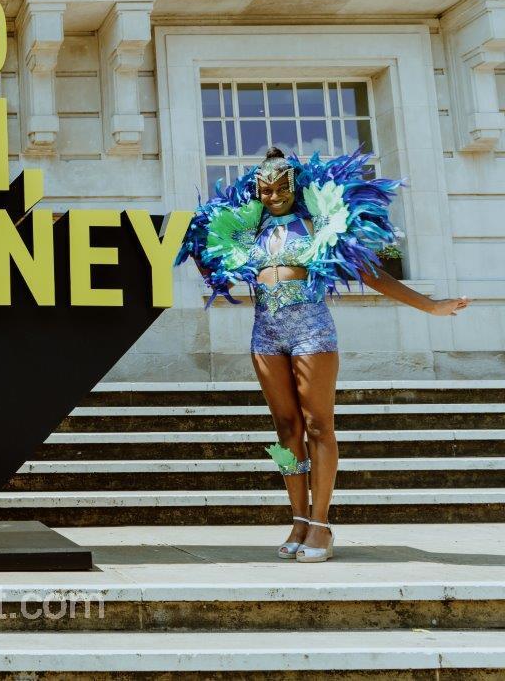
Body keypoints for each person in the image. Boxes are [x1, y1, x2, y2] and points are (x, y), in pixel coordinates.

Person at [180, 147, 468, 562]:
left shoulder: (316, 222)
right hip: (265, 334)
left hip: (311, 332)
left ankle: (321, 522)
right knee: (284, 429)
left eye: (281, 187)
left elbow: (371, 273)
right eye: (266, 189)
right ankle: (297, 518)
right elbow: (208, 256)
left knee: (318, 425)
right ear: (256, 191)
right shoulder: (248, 228)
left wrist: (432, 306)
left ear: (295, 186)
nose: (274, 195)